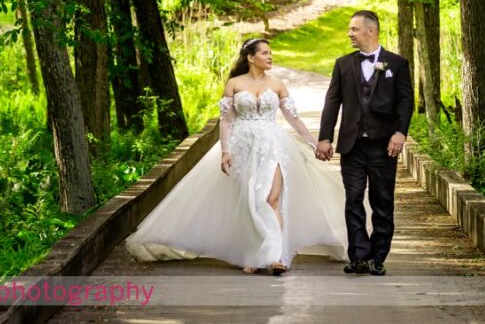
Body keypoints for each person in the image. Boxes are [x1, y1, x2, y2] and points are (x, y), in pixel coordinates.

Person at [125, 37, 349, 275]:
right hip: (242, 146)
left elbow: (294, 119)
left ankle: (276, 257)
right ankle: (254, 253)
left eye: (270, 53)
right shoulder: (234, 83)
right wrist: (225, 151)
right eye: (265, 53)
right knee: (249, 200)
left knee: (271, 199)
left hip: (273, 145)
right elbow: (227, 121)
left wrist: (314, 143)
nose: (270, 57)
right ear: (251, 57)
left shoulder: (277, 84)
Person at [317, 10, 413, 276]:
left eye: (354, 29)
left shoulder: (397, 63)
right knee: (353, 199)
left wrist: (400, 133)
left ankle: (378, 257)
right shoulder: (343, 64)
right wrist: (325, 138)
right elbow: (332, 102)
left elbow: (406, 101)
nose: (350, 34)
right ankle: (358, 255)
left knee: (382, 201)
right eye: (350, 30)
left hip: (384, 145)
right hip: (353, 146)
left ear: (371, 31)